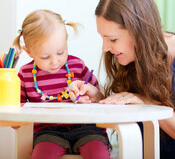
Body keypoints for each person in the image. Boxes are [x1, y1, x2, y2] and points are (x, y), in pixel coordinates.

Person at [68, 0, 175, 158]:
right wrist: (99, 98)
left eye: (112, 39)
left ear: (140, 32)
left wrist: (148, 104)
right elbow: (134, 106)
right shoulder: (129, 56)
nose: (105, 48)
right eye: (102, 37)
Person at [13, 9, 110, 159]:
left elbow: (101, 100)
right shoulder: (25, 75)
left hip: (86, 128)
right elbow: (16, 117)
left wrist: (89, 98)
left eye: (60, 52)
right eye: (45, 56)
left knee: (99, 154)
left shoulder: (77, 66)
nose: (54, 61)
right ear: (29, 52)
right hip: (47, 132)